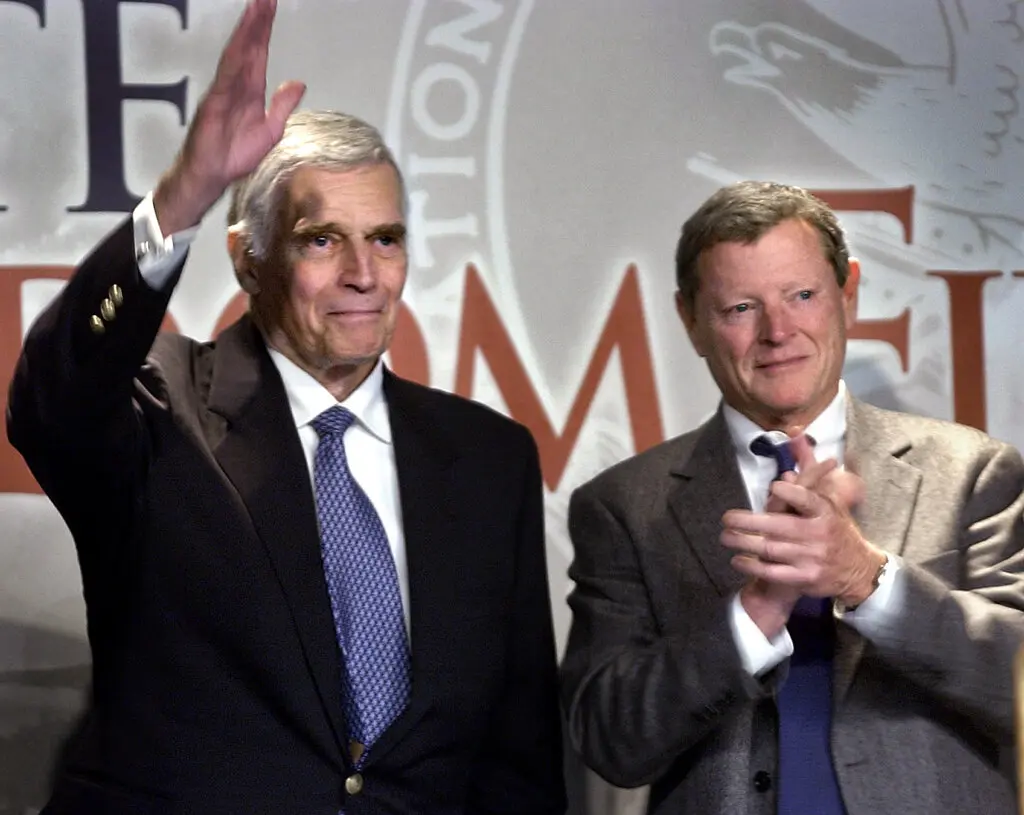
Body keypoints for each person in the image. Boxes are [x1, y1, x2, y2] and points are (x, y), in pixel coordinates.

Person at [6, 1, 565, 812]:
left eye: (385, 237)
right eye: (320, 239)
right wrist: (185, 195)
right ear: (248, 259)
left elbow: (519, 760)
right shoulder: (159, 407)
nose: (364, 274)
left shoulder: (489, 457)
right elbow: (52, 403)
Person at [559, 180, 1024, 814]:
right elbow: (609, 742)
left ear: (848, 295)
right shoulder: (623, 507)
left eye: (802, 295)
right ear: (691, 321)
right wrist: (755, 610)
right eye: (740, 308)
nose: (778, 331)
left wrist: (865, 578)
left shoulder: (972, 472)